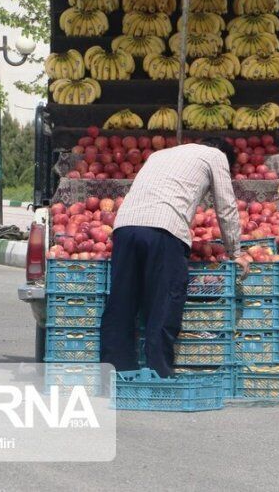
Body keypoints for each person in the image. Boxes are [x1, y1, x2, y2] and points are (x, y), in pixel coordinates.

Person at [99, 140, 247, 377]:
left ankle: (115, 374)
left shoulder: (160, 155)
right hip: (164, 230)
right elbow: (226, 206)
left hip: (125, 227)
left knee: (121, 303)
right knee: (164, 303)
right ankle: (159, 374)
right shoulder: (216, 156)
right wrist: (235, 252)